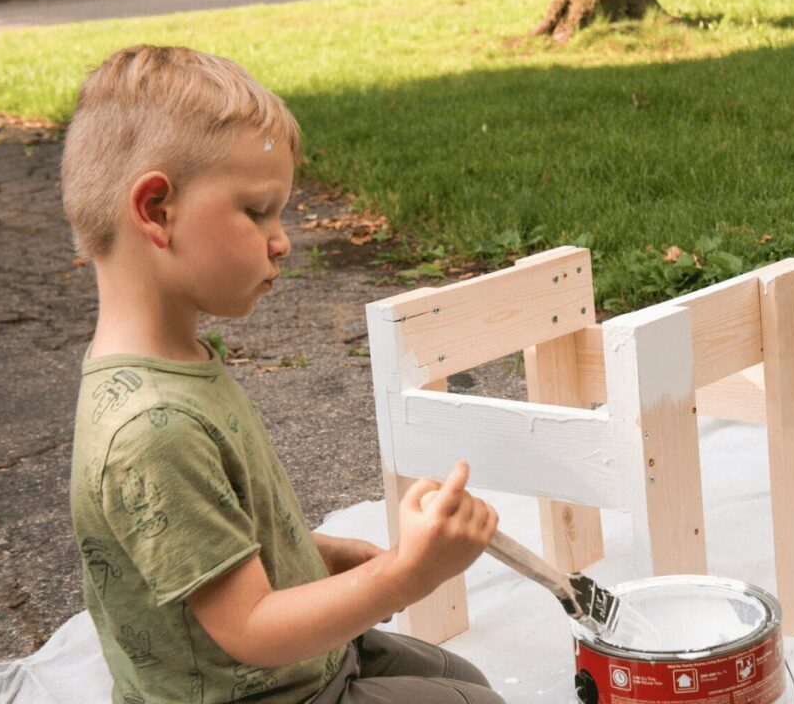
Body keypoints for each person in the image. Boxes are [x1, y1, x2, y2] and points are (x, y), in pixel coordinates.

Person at [64, 45, 502, 704]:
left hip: (300, 665)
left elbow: (203, 540)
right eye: (257, 210)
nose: (283, 241)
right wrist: (406, 576)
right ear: (157, 210)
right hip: (260, 693)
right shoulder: (150, 432)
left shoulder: (177, 368)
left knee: (462, 683)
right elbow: (251, 630)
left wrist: (308, 554)